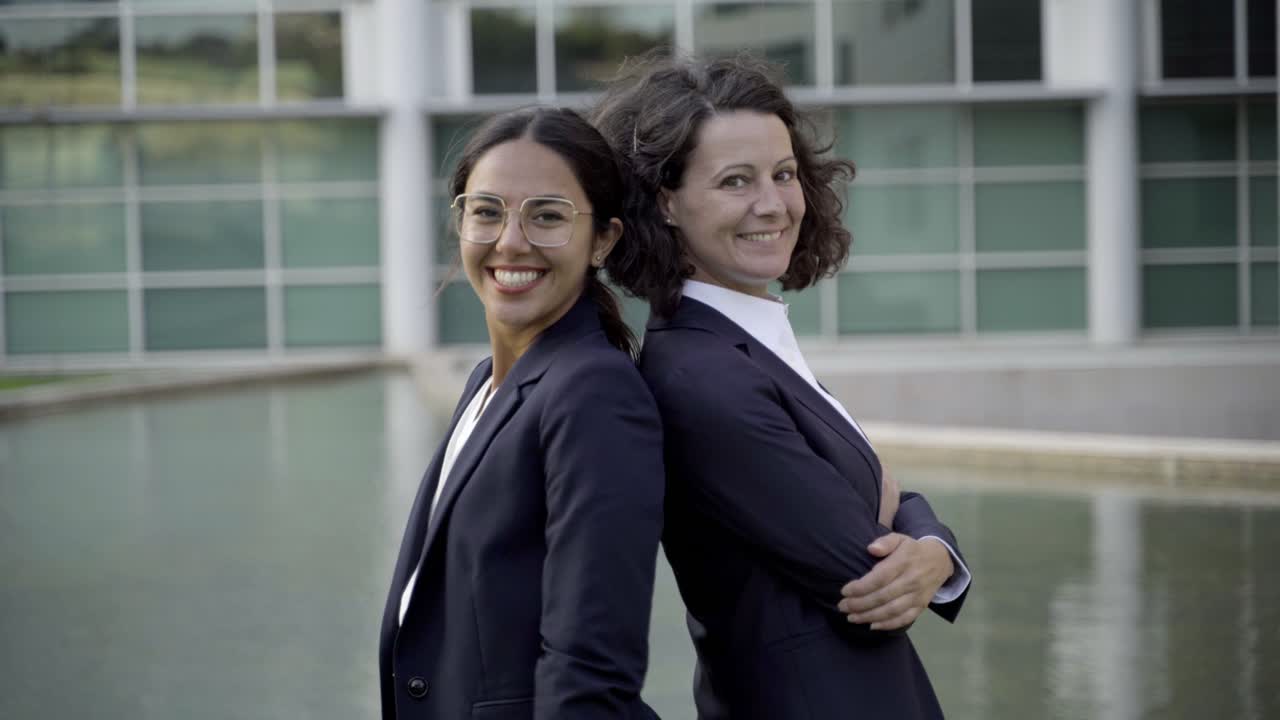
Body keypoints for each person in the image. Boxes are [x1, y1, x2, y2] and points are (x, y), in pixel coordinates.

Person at [591, 54, 972, 719]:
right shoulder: (702, 380)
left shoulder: (743, 343)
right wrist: (901, 518)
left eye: (784, 174)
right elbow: (869, 581)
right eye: (736, 181)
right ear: (666, 202)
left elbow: (883, 505)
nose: (772, 204)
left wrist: (934, 546)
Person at [378, 107, 665, 720]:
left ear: (604, 240)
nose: (511, 241)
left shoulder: (595, 394)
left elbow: (591, 670)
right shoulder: (487, 383)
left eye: (548, 216)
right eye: (487, 211)